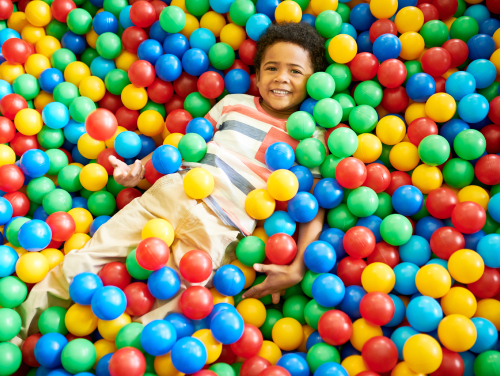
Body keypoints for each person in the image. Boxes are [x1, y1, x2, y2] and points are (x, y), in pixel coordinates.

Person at [17, 22, 329, 338]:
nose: (281, 78)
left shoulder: (312, 138)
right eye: (272, 68)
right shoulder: (234, 103)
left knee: (174, 304)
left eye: (295, 72)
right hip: (172, 194)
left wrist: (298, 265)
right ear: (258, 76)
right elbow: (185, 146)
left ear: (314, 82)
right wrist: (140, 169)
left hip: (222, 226)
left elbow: (311, 205)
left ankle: (123, 352)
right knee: (83, 261)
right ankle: (18, 332)